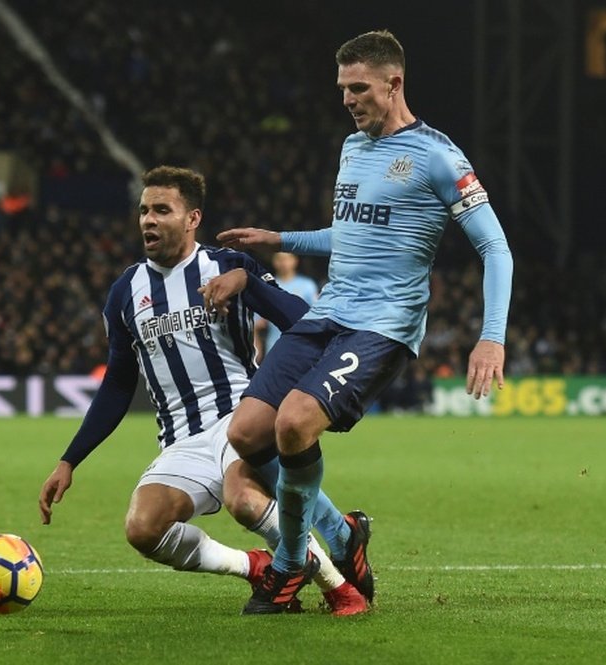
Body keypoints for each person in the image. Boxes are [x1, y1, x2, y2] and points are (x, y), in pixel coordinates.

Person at [218, 30, 513, 614]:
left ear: (393, 83)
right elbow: (352, 236)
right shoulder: (353, 148)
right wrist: (282, 238)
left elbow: (496, 248)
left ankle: (287, 569)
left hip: (382, 325)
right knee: (246, 434)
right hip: (329, 312)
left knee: (296, 424)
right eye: (342, 89)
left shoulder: (438, 156)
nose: (349, 100)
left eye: (359, 88)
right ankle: (346, 535)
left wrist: (491, 337)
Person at [38, 166, 369, 615]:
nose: (148, 220)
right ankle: (255, 566)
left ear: (192, 218)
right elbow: (118, 382)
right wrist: (69, 459)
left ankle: (336, 587)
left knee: (246, 502)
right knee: (143, 528)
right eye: (143, 211)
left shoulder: (225, 265)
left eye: (161, 210)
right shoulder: (125, 293)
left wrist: (249, 281)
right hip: (180, 439)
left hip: (239, 418)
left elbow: (302, 321)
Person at [254, 252, 318, 363]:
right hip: (274, 348)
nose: (283, 263)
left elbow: (317, 317)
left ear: (295, 261)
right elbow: (256, 325)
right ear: (274, 261)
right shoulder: (266, 287)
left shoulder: (308, 285)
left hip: (303, 348)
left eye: (287, 259)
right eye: (279, 259)